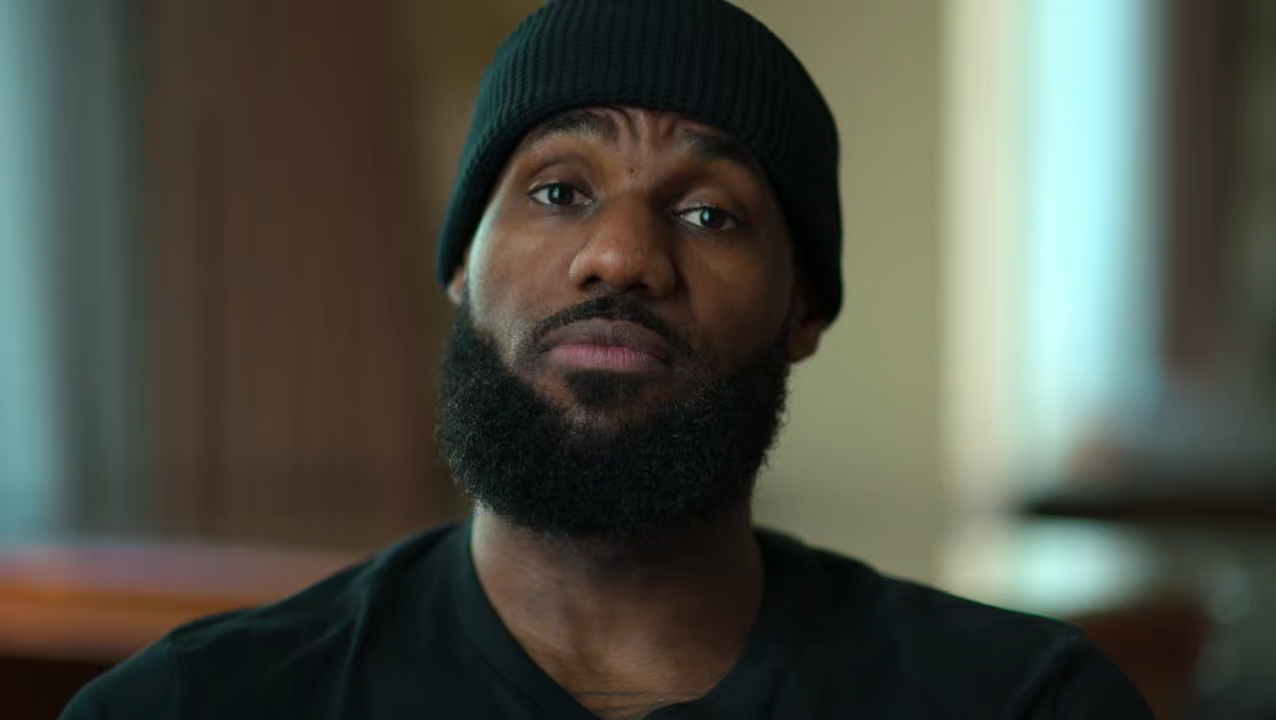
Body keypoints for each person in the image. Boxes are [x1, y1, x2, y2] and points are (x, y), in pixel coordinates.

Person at [61, 0, 1155, 718]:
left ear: (802, 308)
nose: (622, 256)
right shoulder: (192, 708)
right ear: (462, 264)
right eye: (557, 190)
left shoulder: (1023, 704)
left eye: (711, 213)